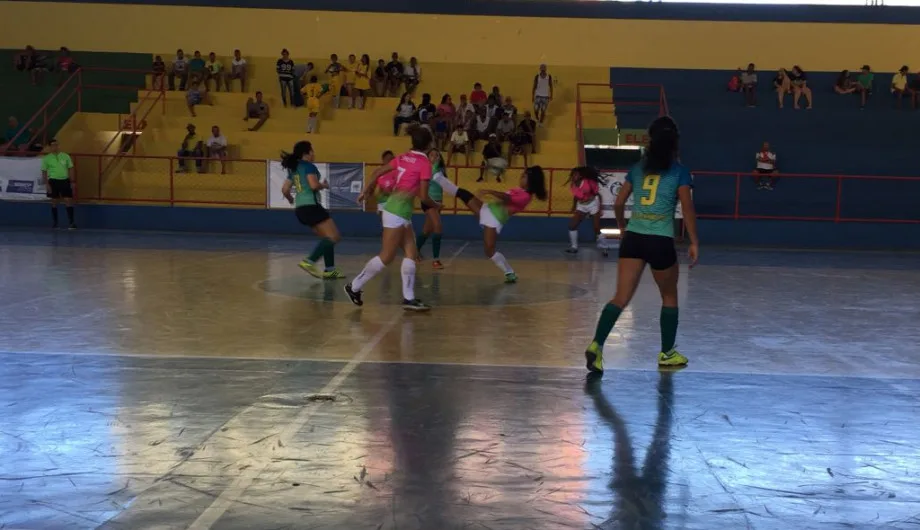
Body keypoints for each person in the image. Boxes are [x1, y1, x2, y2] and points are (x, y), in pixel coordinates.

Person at [582, 116, 699, 374]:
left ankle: (596, 345)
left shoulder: (638, 168)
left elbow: (620, 202)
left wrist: (623, 227)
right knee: (669, 296)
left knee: (621, 297)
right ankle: (667, 353)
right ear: (675, 142)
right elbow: (687, 209)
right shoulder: (680, 172)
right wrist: (694, 241)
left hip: (634, 239)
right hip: (660, 241)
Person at [348, 128, 438, 311]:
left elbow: (377, 172)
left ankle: (409, 298)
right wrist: (436, 205)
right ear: (429, 144)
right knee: (387, 256)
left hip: (400, 212)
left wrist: (365, 191)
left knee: (411, 254)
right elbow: (423, 195)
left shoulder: (403, 157)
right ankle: (354, 286)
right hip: (396, 212)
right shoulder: (425, 164)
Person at [452, 166, 547, 284]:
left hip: (494, 219)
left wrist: (489, 191)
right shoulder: (519, 190)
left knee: (489, 251)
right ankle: (438, 178)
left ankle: (509, 272)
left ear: (531, 182)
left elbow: (506, 198)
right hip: (487, 209)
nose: (521, 177)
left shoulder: (525, 197)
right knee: (463, 194)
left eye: (524, 176)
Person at [280, 141, 345, 280]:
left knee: (326, 239)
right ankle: (309, 262)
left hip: (300, 209)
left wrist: (291, 200)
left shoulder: (294, 169)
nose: (313, 154)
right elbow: (314, 185)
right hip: (311, 206)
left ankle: (329, 270)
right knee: (334, 237)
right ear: (306, 153)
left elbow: (285, 189)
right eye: (312, 151)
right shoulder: (309, 166)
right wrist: (324, 185)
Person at [416, 149, 459, 270]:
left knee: (427, 230)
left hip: (438, 202)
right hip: (429, 201)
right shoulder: (429, 169)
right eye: (432, 155)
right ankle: (436, 260)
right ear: (427, 157)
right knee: (438, 226)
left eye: (437, 155)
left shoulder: (440, 170)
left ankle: (414, 252)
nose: (435, 157)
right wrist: (434, 163)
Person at [565, 166, 602, 254]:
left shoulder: (589, 183)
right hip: (581, 205)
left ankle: (604, 246)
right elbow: (577, 197)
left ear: (580, 176)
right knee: (572, 226)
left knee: (596, 228)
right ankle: (574, 247)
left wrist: (600, 208)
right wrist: (574, 207)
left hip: (593, 204)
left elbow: (598, 195)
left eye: (575, 174)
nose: (573, 176)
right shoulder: (573, 185)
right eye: (572, 175)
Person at [41, 139, 76, 230]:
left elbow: (71, 168)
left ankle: (71, 223)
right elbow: (44, 171)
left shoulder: (65, 156)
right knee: (54, 201)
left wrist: (72, 181)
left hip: (64, 180)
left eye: (56, 145)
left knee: (68, 200)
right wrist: (47, 184)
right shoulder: (47, 158)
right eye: (53, 145)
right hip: (53, 181)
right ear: (49, 147)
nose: (55, 147)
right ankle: (55, 223)